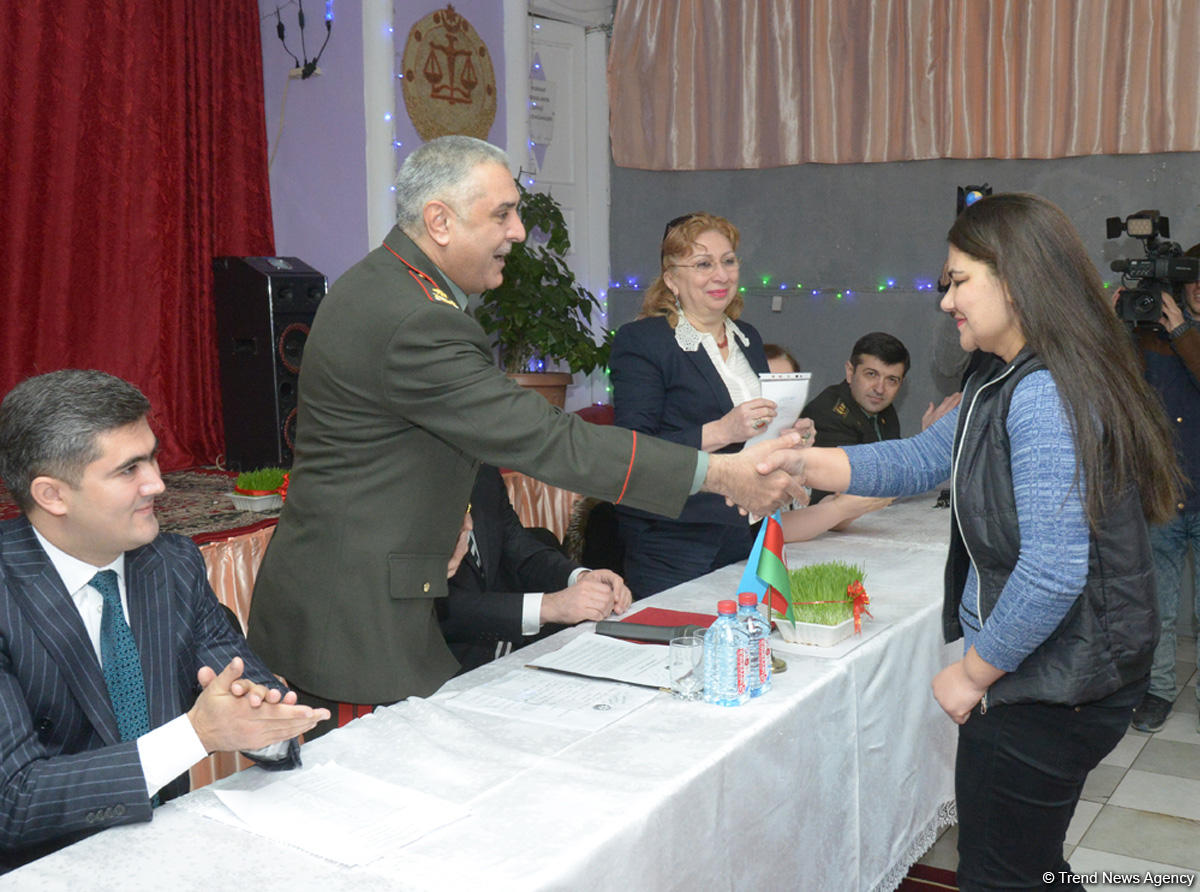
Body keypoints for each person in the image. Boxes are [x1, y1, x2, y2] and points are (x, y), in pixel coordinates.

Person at [247, 138, 801, 738]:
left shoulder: (393, 287)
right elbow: (546, 437)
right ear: (439, 220)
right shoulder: (415, 316)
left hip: (372, 597)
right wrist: (719, 473)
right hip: (354, 621)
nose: (517, 231)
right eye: (502, 213)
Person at [765, 193, 1180, 888]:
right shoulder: (1002, 370)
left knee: (996, 872)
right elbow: (920, 459)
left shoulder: (1042, 390)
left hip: (1053, 682)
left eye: (958, 281)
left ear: (1014, 281)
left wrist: (972, 671)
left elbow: (1052, 571)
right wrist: (798, 463)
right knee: (1029, 861)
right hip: (1060, 673)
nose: (946, 300)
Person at [0, 370, 326, 870]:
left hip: (170, 847)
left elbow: (239, 680)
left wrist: (268, 724)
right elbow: (15, 801)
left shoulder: (170, 563)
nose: (158, 482)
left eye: (152, 456)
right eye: (129, 470)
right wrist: (197, 735)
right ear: (52, 495)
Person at [608, 212, 782, 597]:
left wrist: (786, 430)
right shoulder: (643, 341)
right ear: (672, 280)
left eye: (728, 260)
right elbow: (633, 450)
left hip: (743, 527)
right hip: (673, 538)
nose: (721, 275)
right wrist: (723, 430)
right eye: (703, 264)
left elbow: (751, 435)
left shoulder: (747, 338)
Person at [438, 465, 631, 673]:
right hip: (435, 671)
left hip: (494, 656)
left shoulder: (481, 470)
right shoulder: (410, 484)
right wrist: (549, 607)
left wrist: (580, 577)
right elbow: (433, 606)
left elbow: (520, 548)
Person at [1127, 245, 1200, 733]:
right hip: (1164, 497)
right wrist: (1120, 324)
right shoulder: (1150, 336)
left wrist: (1182, 331)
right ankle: (1158, 691)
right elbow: (1123, 388)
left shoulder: (1180, 334)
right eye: (1196, 280)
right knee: (1161, 611)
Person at [802, 332, 959, 503]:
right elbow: (857, 488)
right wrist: (929, 446)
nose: (880, 389)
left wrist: (925, 443)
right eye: (871, 374)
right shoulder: (828, 414)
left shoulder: (883, 409)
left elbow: (893, 469)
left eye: (891, 380)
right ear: (850, 372)